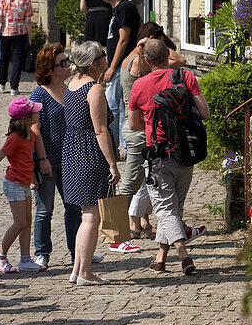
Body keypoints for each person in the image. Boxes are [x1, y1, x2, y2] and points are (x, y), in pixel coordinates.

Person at [128, 38, 210, 276]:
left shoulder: (139, 85)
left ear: (145, 60)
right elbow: (204, 112)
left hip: (159, 154)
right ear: (169, 56)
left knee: (164, 209)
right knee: (175, 207)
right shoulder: (186, 77)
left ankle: (183, 254)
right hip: (185, 152)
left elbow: (133, 125)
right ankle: (161, 258)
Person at [117, 23, 186, 247]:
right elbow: (178, 61)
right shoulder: (139, 61)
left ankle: (140, 224)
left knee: (146, 181)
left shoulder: (131, 58)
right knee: (129, 182)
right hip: (138, 130)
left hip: (135, 127)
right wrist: (153, 45)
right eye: (160, 40)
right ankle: (115, 234)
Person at [62, 41, 120, 285]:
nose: (108, 57)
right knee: (91, 217)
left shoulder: (72, 84)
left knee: (86, 214)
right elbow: (100, 130)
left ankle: (77, 269)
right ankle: (85, 272)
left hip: (73, 150)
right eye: (104, 55)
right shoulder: (94, 89)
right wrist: (113, 164)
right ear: (95, 63)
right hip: (89, 152)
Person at [29, 43, 82, 269]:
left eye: (67, 60)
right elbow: (34, 130)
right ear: (50, 69)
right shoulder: (38, 94)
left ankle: (77, 252)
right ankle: (42, 253)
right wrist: (42, 159)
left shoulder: (70, 88)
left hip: (69, 158)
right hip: (47, 159)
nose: (68, 65)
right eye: (63, 63)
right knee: (44, 210)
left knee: (74, 208)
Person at [0, 96, 45, 274]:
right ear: (26, 119)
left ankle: (25, 259)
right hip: (14, 183)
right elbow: (0, 156)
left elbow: (26, 160)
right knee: (19, 222)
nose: (38, 112)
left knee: (27, 221)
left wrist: (32, 177)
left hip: (24, 183)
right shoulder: (15, 138)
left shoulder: (30, 134)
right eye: (35, 112)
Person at [101, 0, 141, 156]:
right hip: (116, 64)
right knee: (118, 106)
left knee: (114, 106)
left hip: (123, 64)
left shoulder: (125, 8)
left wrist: (112, 66)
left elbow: (124, 40)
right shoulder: (116, 10)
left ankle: (118, 147)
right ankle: (122, 146)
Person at [0, 0, 33, 97]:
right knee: (17, 59)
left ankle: (2, 82)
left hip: (6, 31)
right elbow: (28, 20)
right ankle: (14, 87)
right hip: (20, 32)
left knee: (4, 57)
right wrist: (30, 36)